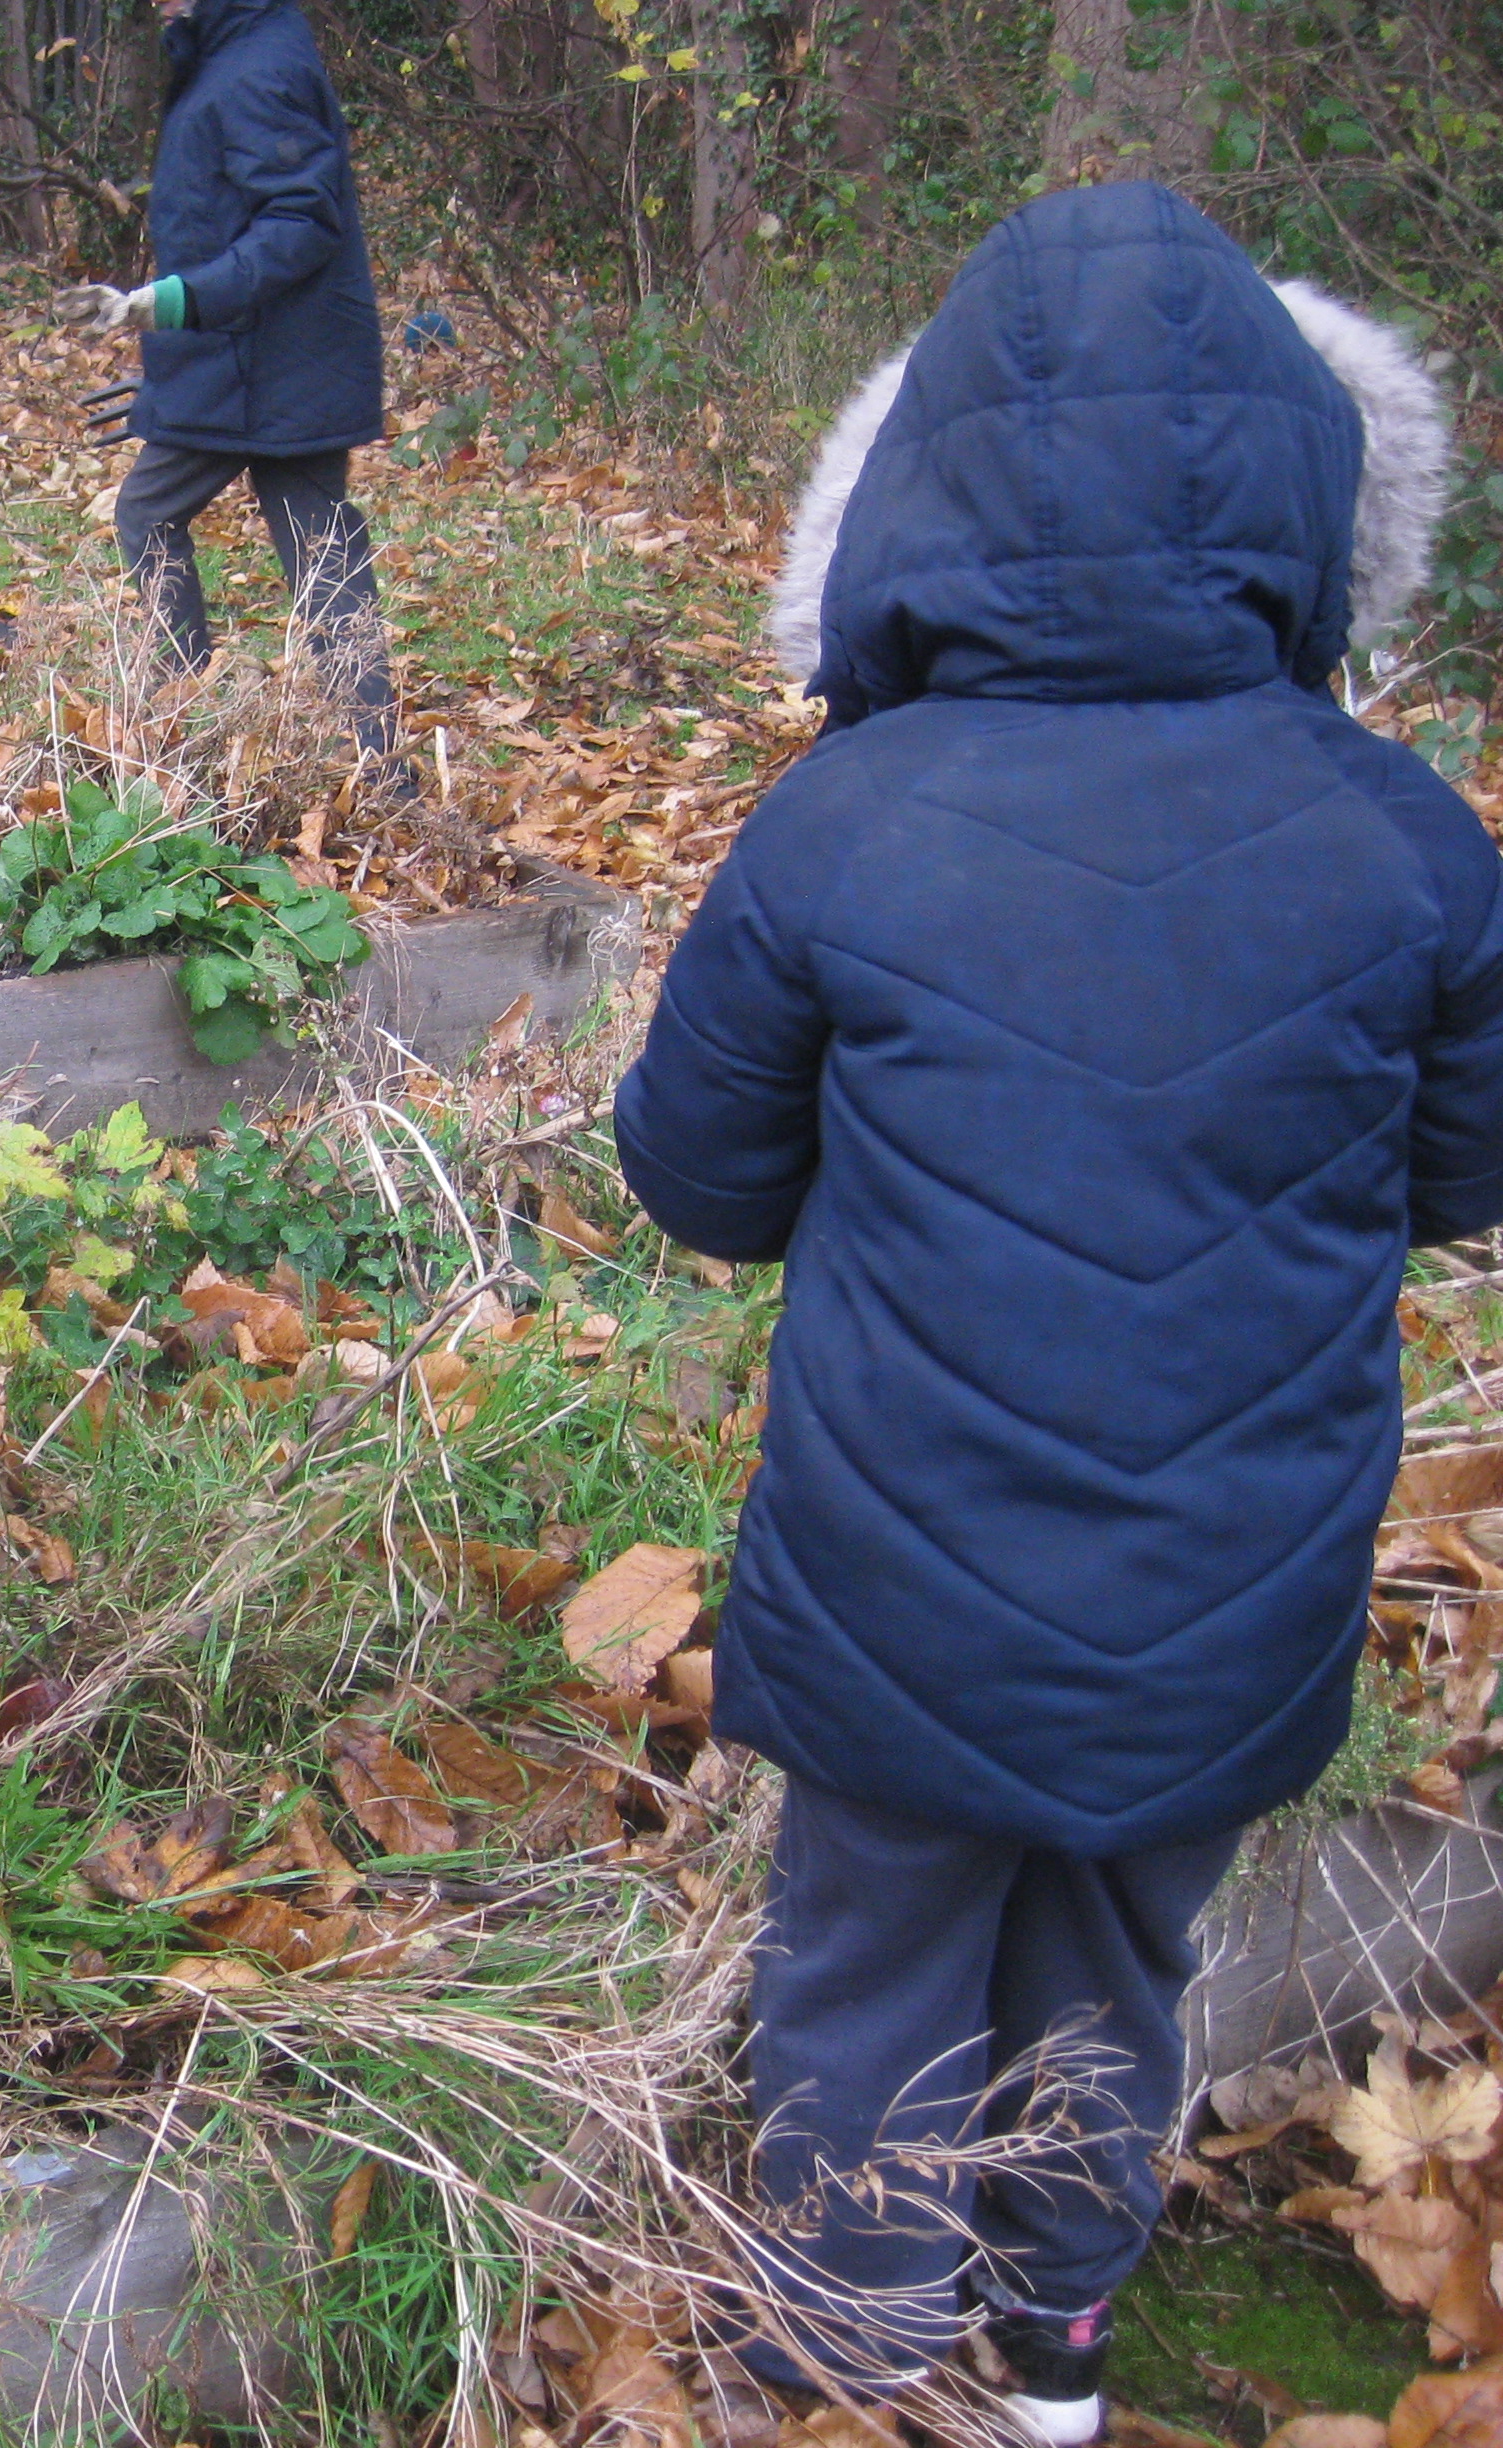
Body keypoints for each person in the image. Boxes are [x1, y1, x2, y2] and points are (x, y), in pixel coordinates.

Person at [613, 182, 1493, 2437]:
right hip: (1233, 1588)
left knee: (863, 1968)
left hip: (901, 1574)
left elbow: (695, 1177)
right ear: (1315, 496)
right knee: (1119, 1958)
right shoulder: (1408, 839)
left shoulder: (843, 821)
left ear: (926, 489)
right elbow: (1466, 1174)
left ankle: (839, 2352)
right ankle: (1052, 2358)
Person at [56, 0, 391, 745]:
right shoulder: (239, 50)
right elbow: (230, 222)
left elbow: (301, 223)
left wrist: (173, 303)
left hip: (262, 366)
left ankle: (184, 728)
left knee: (150, 513)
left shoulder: (255, 68)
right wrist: (172, 365)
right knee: (321, 551)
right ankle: (378, 770)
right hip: (267, 362)